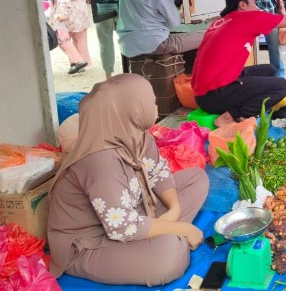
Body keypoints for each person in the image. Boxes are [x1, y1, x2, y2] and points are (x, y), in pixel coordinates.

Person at [47, 74, 209, 286]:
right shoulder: (100, 161)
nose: (155, 105)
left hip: (134, 211)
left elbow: (157, 172)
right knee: (169, 256)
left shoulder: (136, 135)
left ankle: (160, 235)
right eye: (149, 101)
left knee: (196, 179)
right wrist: (181, 228)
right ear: (131, 110)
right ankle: (164, 239)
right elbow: (121, 227)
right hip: (90, 242)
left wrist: (174, 210)